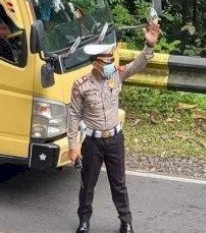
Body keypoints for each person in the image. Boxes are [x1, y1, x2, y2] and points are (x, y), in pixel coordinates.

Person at [67, 21, 160, 233]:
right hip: (92, 142)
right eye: (106, 60)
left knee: (119, 184)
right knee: (87, 184)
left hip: (115, 140)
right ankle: (84, 221)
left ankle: (126, 222)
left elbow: (139, 63)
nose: (110, 63)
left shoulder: (116, 75)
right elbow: (72, 114)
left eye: (111, 59)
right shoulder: (81, 85)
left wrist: (150, 45)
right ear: (95, 63)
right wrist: (73, 146)